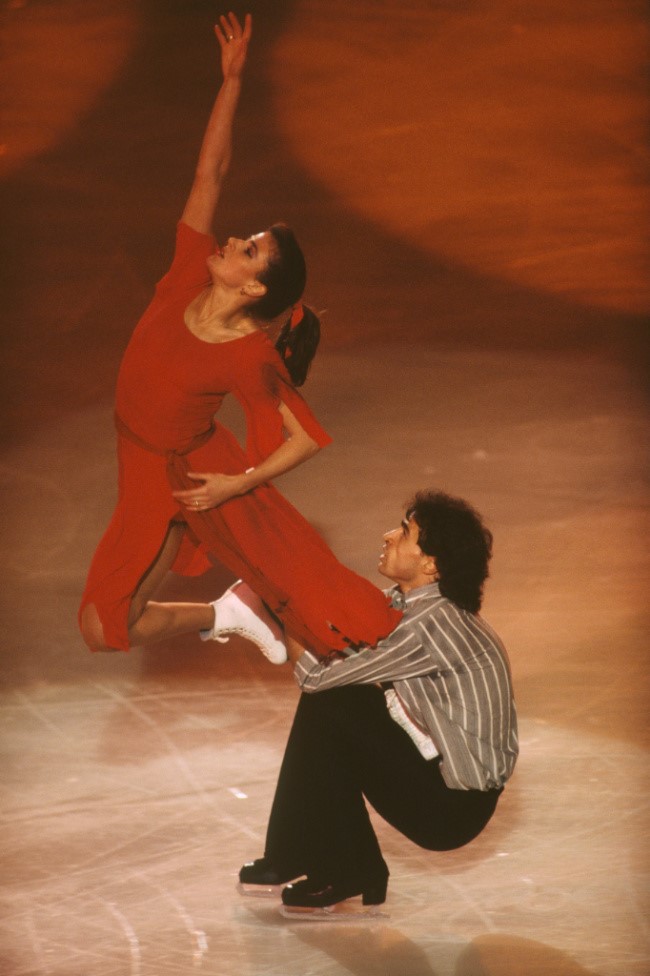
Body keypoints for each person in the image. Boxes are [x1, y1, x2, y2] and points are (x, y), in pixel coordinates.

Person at [79, 12, 401, 658]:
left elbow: (306, 436)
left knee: (100, 627)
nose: (233, 241)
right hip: (132, 464)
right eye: (247, 239)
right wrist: (231, 80)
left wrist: (234, 484)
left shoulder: (247, 354)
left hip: (174, 479)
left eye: (250, 251)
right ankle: (225, 614)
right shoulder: (186, 271)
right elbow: (211, 172)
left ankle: (272, 626)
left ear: (254, 289)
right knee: (102, 628)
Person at [236, 490, 518, 916]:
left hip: (452, 808)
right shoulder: (408, 605)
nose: (388, 536)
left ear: (431, 564)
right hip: (438, 777)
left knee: (330, 703)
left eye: (405, 533)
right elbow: (341, 625)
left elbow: (316, 676)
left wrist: (284, 604)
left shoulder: (430, 626)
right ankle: (306, 856)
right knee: (337, 709)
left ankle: (330, 862)